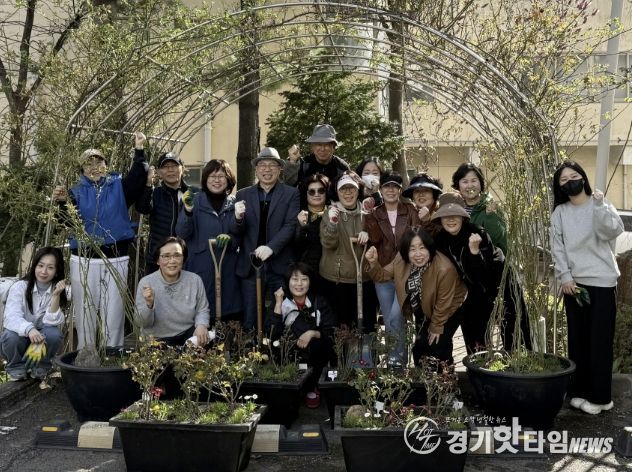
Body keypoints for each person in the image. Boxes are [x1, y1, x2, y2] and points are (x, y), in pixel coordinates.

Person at [53, 132, 148, 348]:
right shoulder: (75, 192)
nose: (94, 167)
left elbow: (138, 176)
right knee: (85, 309)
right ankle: (85, 352)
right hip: (84, 259)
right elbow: (66, 222)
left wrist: (139, 149)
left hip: (116, 257)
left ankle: (112, 351)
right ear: (82, 169)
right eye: (89, 164)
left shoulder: (119, 186)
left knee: (114, 310)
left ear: (106, 165)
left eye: (99, 162)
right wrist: (62, 202)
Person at [550, 161, 623, 415]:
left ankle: (601, 398)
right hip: (574, 284)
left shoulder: (599, 203)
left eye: (574, 176)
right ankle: (580, 391)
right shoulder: (560, 213)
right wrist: (565, 277)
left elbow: (611, 232)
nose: (570, 181)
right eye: (563, 179)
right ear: (559, 187)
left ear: (583, 178)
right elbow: (558, 248)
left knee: (599, 342)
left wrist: (600, 207)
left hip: (602, 282)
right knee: (578, 341)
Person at [451, 162, 531, 350]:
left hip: (497, 272)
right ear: (458, 185)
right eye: (465, 181)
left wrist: (491, 217)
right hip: (472, 275)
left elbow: (500, 241)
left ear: (481, 183)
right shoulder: (454, 208)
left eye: (474, 180)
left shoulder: (491, 206)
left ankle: (516, 357)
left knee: (511, 320)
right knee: (474, 323)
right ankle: (479, 360)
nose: (470, 185)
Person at [365, 227, 467, 364]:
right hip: (423, 303)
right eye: (412, 249)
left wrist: (436, 326)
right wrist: (373, 263)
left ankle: (445, 375)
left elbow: (444, 302)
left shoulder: (444, 268)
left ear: (429, 247)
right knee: (420, 347)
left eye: (422, 248)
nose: (418, 254)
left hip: (450, 307)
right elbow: (382, 276)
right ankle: (422, 375)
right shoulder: (401, 259)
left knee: (438, 345)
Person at [232, 147, 300, 330]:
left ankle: (279, 347)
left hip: (280, 264)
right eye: (262, 165)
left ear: (280, 169)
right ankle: (250, 346)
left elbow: (290, 225)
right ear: (256, 169)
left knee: (283, 314)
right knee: (250, 316)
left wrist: (271, 247)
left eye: (272, 165)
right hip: (251, 265)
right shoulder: (243, 194)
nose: (267, 169)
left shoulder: (291, 193)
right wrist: (237, 219)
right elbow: (238, 231)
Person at [432, 192, 503, 353]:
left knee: (482, 339)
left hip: (487, 290)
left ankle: (491, 366)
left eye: (455, 215)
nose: (450, 219)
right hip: (461, 293)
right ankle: (461, 366)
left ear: (463, 217)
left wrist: (474, 252)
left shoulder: (477, 234)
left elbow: (484, 275)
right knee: (461, 336)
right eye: (446, 216)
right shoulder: (440, 240)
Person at [176, 159, 242, 323]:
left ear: (228, 180)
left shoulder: (234, 203)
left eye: (221, 176)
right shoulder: (194, 200)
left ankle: (224, 336)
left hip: (227, 267)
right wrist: (188, 211)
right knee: (202, 312)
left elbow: (241, 235)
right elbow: (182, 233)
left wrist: (231, 240)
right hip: (200, 266)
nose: (216, 180)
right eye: (212, 176)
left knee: (228, 314)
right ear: (205, 179)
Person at [364, 172, 420, 364]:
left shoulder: (410, 210)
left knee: (397, 315)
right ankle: (395, 361)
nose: (390, 190)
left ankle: (397, 359)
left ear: (400, 190)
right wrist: (370, 216)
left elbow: (417, 238)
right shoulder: (374, 213)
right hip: (383, 273)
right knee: (389, 319)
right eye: (386, 186)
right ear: (380, 189)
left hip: (406, 271)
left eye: (394, 186)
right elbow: (375, 239)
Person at [266, 262, 337, 407]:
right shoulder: (281, 301)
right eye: (295, 279)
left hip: (314, 356)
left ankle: (313, 386)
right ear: (288, 282)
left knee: (322, 344)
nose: (299, 284)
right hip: (289, 355)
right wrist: (278, 304)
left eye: (304, 279)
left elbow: (332, 330)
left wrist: (312, 333)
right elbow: (272, 333)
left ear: (310, 282)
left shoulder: (318, 301)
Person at [319, 171, 378, 332]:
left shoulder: (367, 213)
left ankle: (366, 348)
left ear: (358, 191)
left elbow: (378, 240)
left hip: (363, 278)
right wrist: (332, 223)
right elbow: (328, 243)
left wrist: (369, 234)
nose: (348, 193)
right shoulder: (331, 212)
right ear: (337, 192)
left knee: (366, 327)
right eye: (343, 189)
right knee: (339, 329)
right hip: (337, 280)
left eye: (351, 189)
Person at [0, 247, 67, 380]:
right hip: (19, 341)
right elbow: (11, 317)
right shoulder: (20, 287)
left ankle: (41, 366)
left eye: (50, 267)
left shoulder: (57, 289)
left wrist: (55, 296)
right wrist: (29, 329)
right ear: (34, 266)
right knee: (10, 336)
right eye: (40, 265)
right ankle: (16, 367)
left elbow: (51, 323)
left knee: (54, 334)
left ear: (57, 271)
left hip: (41, 342)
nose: (44, 271)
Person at [135, 237, 210, 346]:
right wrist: (149, 305)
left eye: (177, 255)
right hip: (157, 339)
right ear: (157, 260)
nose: (172, 261)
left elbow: (202, 309)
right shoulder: (146, 283)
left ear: (183, 258)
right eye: (166, 256)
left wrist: (201, 325)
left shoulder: (194, 280)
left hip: (186, 334)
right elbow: (141, 323)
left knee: (205, 339)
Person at [136, 151, 196, 274]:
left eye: (174, 166)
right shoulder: (155, 193)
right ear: (158, 172)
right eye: (166, 167)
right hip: (159, 258)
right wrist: (148, 183)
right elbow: (142, 208)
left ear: (182, 168)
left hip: (186, 257)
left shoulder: (194, 194)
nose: (170, 170)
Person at [284, 124, 350, 186]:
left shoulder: (342, 167)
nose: (322, 149)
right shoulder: (303, 164)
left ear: (334, 147)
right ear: (312, 147)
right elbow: (288, 185)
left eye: (327, 145)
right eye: (319, 144)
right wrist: (292, 162)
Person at [294, 174, 330, 289]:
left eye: (321, 190)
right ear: (306, 194)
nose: (316, 194)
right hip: (306, 273)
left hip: (331, 273)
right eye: (312, 192)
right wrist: (301, 227)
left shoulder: (334, 213)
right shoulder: (298, 215)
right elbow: (295, 247)